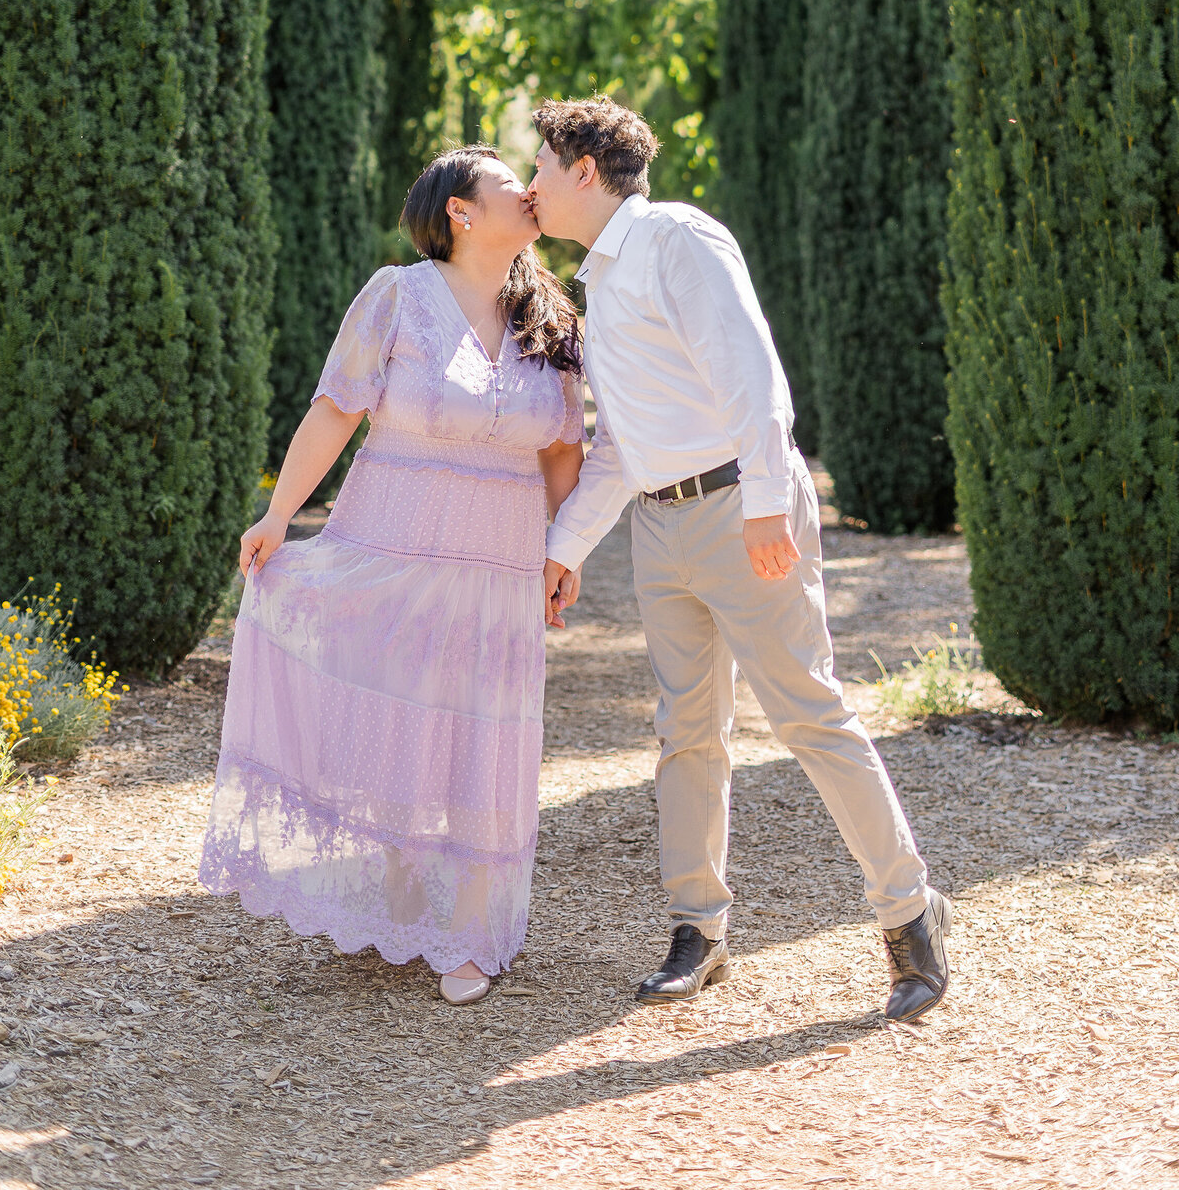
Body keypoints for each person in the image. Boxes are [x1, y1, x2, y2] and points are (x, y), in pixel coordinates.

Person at [528, 98, 951, 1021]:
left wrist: (766, 503)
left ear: (586, 171)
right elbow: (620, 443)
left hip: (738, 508)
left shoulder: (677, 237)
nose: (532, 185)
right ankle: (699, 931)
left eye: (542, 167)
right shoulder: (600, 282)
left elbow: (752, 372)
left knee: (809, 716)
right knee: (686, 732)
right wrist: (564, 547)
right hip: (660, 527)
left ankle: (910, 916)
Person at [200, 147, 585, 1006]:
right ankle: (402, 899)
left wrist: (564, 552)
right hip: (392, 539)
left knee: (487, 729)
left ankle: (473, 933)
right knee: (396, 711)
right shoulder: (396, 296)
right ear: (459, 210)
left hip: (498, 560)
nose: (530, 193)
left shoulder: (550, 313)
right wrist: (278, 515)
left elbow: (564, 447)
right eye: (508, 184)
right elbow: (337, 408)